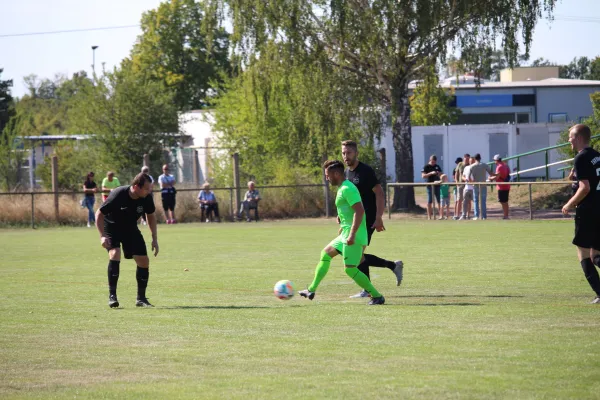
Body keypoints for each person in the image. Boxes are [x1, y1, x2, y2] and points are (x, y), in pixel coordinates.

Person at [299, 160, 385, 305]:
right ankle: (311, 289)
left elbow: (360, 210)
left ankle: (377, 296)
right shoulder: (342, 188)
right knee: (325, 254)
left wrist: (351, 234)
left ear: (336, 174)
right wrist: (342, 220)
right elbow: (350, 210)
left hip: (354, 234)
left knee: (350, 270)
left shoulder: (347, 188)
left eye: (328, 175)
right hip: (345, 233)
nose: (327, 178)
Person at [341, 140, 403, 299]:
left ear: (356, 153)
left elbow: (380, 193)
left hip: (367, 218)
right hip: (355, 219)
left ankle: (368, 288)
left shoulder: (365, 171)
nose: (346, 156)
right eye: (343, 153)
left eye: (349, 153)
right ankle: (392, 266)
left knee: (356, 256)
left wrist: (379, 217)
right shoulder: (347, 173)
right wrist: (341, 217)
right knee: (358, 256)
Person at [95, 173, 159, 308]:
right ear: (136, 187)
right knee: (115, 253)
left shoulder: (147, 197)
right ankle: (112, 296)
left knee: (143, 260)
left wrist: (154, 238)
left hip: (130, 228)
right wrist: (102, 236)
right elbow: (99, 214)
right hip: (112, 227)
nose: (149, 191)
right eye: (146, 188)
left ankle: (141, 299)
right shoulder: (118, 194)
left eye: (150, 189)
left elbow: (151, 216)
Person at [561, 124, 600, 304]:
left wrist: (569, 204)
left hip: (588, 210)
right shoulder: (597, 156)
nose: (568, 140)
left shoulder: (581, 157)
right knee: (596, 255)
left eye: (570, 137)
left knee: (583, 253)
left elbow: (585, 187)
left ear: (577, 138)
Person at [469, 153, 492, 220]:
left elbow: (468, 177)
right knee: (483, 201)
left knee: (476, 201)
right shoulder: (484, 165)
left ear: (475, 159)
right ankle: (484, 216)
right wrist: (496, 175)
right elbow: (491, 173)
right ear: (480, 158)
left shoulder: (472, 166)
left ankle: (476, 216)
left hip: (476, 185)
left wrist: (472, 183)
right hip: (483, 185)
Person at [489, 155, 511, 219]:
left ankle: (506, 216)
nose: (494, 162)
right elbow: (508, 174)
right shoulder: (505, 165)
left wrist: (490, 178)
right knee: (504, 201)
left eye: (494, 160)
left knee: (503, 201)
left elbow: (497, 177)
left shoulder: (499, 167)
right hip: (506, 185)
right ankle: (506, 215)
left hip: (502, 186)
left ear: (496, 160)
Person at [421, 155, 442, 220]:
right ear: (430, 160)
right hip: (430, 185)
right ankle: (429, 216)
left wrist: (438, 173)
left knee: (439, 201)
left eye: (434, 162)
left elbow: (441, 174)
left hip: (437, 185)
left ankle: (440, 216)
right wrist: (430, 173)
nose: (433, 163)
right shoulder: (426, 167)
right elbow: (423, 176)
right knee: (430, 201)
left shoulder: (437, 166)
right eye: (432, 162)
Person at [454, 154, 471, 220]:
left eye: (468, 159)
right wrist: (456, 182)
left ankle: (468, 215)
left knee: (468, 200)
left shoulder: (470, 165)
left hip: (467, 185)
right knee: (459, 200)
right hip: (460, 185)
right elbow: (456, 174)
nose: (467, 160)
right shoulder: (460, 164)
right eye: (466, 159)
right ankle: (457, 215)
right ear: (464, 158)